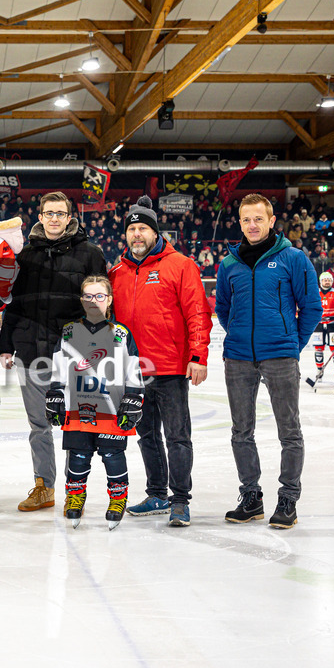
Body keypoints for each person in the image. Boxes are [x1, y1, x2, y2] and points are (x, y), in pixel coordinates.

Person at [215, 194, 321, 530]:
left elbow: (312, 308)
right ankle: (251, 496)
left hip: (280, 356)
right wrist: (242, 338)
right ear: (241, 222)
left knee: (289, 431)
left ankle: (288, 497)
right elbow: (223, 309)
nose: (252, 225)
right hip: (239, 358)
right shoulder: (229, 264)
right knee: (240, 432)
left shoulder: (293, 258)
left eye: (259, 219)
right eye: (246, 219)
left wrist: (292, 343)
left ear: (272, 221)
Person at [0, 191, 107, 512]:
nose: (55, 218)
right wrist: (6, 345)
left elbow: (100, 305)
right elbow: (12, 304)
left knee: (75, 423)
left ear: (70, 217)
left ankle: (76, 489)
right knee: (38, 425)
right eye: (49, 213)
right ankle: (43, 486)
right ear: (41, 216)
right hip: (30, 350)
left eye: (61, 213)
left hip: (74, 354)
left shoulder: (90, 254)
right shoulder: (25, 255)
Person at [108, 196, 211, 527]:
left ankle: (180, 500)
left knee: (177, 436)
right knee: (146, 434)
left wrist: (198, 356)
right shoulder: (117, 272)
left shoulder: (180, 265)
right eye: (132, 229)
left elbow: (198, 312)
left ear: (155, 233)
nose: (137, 235)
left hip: (169, 367)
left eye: (143, 229)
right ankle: (157, 493)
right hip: (132, 370)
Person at [44, 276, 144, 529]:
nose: (93, 301)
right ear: (82, 300)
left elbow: (133, 370)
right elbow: (58, 368)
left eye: (100, 296)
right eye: (88, 296)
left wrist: (132, 399)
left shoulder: (121, 334)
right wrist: (55, 394)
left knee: (113, 455)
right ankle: (75, 497)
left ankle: (118, 499)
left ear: (109, 300)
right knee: (77, 455)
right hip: (77, 407)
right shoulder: (68, 332)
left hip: (110, 408)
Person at [312, 271, 334, 383]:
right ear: (320, 281)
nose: (327, 282)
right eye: (325, 280)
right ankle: (319, 370)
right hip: (318, 324)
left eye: (329, 280)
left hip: (332, 324)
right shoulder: (315, 293)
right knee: (318, 348)